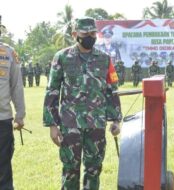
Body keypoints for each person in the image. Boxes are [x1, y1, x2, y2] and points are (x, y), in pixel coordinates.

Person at [43, 17, 122, 190]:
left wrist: (116, 120)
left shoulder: (105, 59)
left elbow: (112, 90)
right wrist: (52, 125)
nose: (90, 36)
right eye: (85, 33)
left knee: (94, 169)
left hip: (96, 123)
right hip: (70, 124)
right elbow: (52, 91)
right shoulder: (62, 57)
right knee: (70, 170)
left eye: (93, 33)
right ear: (74, 34)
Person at [0, 16, 25, 190]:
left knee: (3, 166)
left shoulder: (9, 53)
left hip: (3, 120)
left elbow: (17, 86)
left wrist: (20, 115)